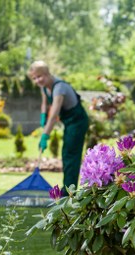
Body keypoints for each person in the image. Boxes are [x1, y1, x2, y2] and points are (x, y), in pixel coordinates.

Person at [27, 61, 89, 195]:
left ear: (47, 73)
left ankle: (69, 191)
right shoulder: (44, 86)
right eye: (34, 78)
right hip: (69, 122)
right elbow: (45, 103)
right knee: (66, 153)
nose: (37, 80)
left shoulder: (59, 88)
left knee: (71, 154)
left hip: (78, 121)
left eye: (40, 76)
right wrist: (43, 115)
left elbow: (54, 113)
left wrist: (45, 135)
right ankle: (68, 188)